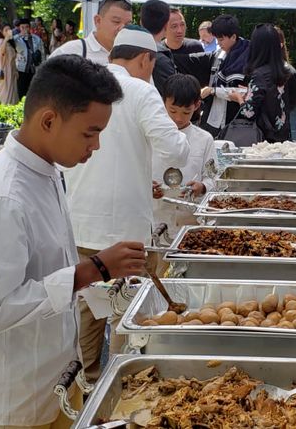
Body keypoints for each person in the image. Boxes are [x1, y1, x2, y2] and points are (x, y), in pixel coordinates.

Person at [0, 55, 146, 427]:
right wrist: (93, 270)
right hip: (12, 398)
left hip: (50, 375)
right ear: (49, 121)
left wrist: (95, 277)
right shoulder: (3, 196)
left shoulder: (46, 170)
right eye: (90, 133)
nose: (97, 146)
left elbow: (49, 267)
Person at [63, 26, 190, 382]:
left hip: (80, 221)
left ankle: (87, 383)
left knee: (87, 305)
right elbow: (176, 150)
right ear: (145, 59)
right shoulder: (140, 91)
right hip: (126, 230)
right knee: (127, 309)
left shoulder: (82, 89)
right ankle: (119, 384)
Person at [152, 73, 217, 232]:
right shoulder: (150, 136)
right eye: (172, 111)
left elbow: (214, 178)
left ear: (196, 105)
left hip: (190, 221)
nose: (179, 118)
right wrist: (148, 187)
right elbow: (135, 174)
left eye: (186, 112)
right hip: (155, 218)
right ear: (163, 102)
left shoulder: (204, 139)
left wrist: (202, 187)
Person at [178, 14, 250, 136]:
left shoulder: (249, 58)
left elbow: (247, 92)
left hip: (237, 122)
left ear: (233, 37)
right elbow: (193, 60)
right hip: (214, 120)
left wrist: (213, 91)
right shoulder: (219, 55)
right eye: (217, 39)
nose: (218, 43)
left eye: (221, 39)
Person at [236, 23, 292, 143]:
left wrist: (239, 98)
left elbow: (248, 112)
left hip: (263, 139)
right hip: (283, 136)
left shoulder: (259, 75)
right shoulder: (286, 72)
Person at [50, 0, 133, 65]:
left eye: (128, 24)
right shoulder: (71, 51)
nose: (123, 28)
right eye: (116, 21)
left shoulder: (132, 56)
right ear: (98, 21)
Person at [140, 0, 179, 95]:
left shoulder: (125, 51)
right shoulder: (160, 59)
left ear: (141, 22)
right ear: (166, 25)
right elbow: (172, 97)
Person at [275, 25, 296, 138]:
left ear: (280, 44)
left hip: (281, 129)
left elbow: (292, 102)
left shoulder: (289, 71)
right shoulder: (257, 70)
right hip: (280, 127)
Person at [15, 18, 46, 97]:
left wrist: (42, 68)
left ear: (29, 28)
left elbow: (42, 54)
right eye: (22, 27)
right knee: (21, 93)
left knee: (33, 93)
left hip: (34, 70)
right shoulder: (16, 39)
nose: (25, 29)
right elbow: (9, 44)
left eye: (27, 27)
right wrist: (19, 35)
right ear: (19, 28)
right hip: (21, 70)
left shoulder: (37, 39)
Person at [0, 23, 19, 105]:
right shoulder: (1, 41)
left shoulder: (12, 43)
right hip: (4, 72)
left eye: (9, 30)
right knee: (6, 96)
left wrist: (16, 70)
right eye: (6, 30)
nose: (8, 31)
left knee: (13, 95)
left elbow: (14, 59)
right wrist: (6, 39)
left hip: (12, 72)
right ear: (2, 32)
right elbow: (1, 52)